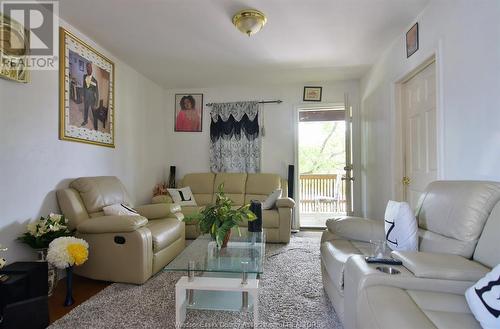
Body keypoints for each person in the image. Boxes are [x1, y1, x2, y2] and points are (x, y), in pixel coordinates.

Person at [81, 62, 99, 127]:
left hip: (92, 100)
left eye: (90, 67)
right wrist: (83, 95)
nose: (89, 69)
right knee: (85, 110)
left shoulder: (95, 81)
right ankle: (85, 121)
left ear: (92, 69)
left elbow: (97, 92)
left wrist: (96, 103)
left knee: (94, 113)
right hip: (86, 98)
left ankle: (95, 124)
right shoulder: (84, 77)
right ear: (86, 68)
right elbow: (83, 87)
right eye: (87, 67)